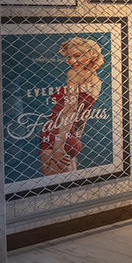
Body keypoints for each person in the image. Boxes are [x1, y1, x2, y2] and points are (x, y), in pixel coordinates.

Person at [39, 37, 105, 177]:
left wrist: (59, 146)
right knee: (69, 179)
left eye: (77, 55)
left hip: (56, 133)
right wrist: (75, 137)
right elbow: (83, 116)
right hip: (70, 133)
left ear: (92, 55)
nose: (72, 61)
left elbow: (70, 108)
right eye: (69, 57)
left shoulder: (74, 74)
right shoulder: (97, 80)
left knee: (55, 181)